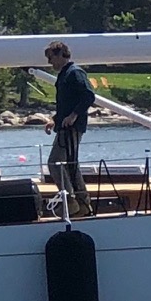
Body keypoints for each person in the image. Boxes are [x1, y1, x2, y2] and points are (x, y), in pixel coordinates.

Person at [41, 40, 94, 217]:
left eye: (50, 58)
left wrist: (73, 116)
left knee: (54, 163)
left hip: (71, 128)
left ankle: (70, 200)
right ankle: (83, 203)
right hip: (64, 126)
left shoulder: (74, 73)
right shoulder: (64, 75)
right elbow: (66, 103)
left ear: (59, 54)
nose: (49, 62)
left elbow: (88, 95)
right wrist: (55, 120)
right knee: (71, 165)